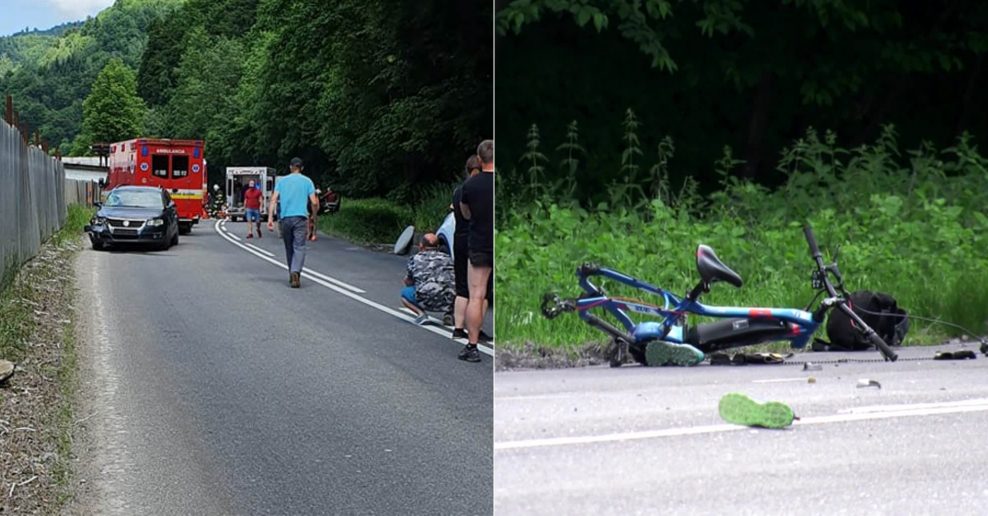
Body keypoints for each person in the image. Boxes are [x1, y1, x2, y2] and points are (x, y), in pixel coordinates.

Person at [457, 139, 494, 363]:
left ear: (479, 160)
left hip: (480, 243)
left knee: (476, 294)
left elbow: (466, 213)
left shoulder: (470, 185)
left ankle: (472, 346)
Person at [268, 157, 318, 288]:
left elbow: (273, 199)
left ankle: (292, 272)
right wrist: (313, 217)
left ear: (290, 167)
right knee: (299, 246)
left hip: (285, 219)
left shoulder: (282, 181)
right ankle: (295, 271)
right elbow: (314, 202)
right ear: (302, 168)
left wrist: (270, 219)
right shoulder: (307, 181)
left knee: (289, 247)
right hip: (301, 218)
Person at [451, 155, 486, 340]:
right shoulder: (478, 190)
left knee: (462, 286)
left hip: (459, 238)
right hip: (475, 240)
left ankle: (458, 328)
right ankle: (476, 330)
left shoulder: (458, 191)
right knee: (481, 290)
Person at [401, 233, 455, 322]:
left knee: (405, 293)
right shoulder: (448, 258)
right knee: (455, 291)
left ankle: (421, 314)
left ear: (421, 246)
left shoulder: (415, 259)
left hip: (425, 299)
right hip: (448, 300)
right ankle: (449, 314)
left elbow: (408, 281)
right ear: (438, 246)